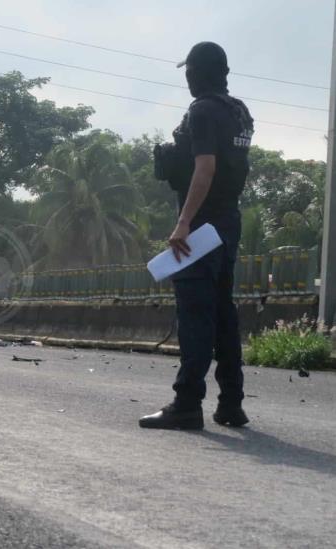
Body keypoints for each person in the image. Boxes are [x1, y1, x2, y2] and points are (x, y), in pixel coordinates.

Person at [140, 42, 254, 430]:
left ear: (197, 73)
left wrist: (184, 222)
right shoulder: (238, 112)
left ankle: (187, 404)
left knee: (195, 316)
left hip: (201, 230)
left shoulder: (202, 111)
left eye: (189, 71)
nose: (187, 78)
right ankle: (232, 404)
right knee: (223, 313)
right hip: (227, 224)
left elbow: (205, 167)